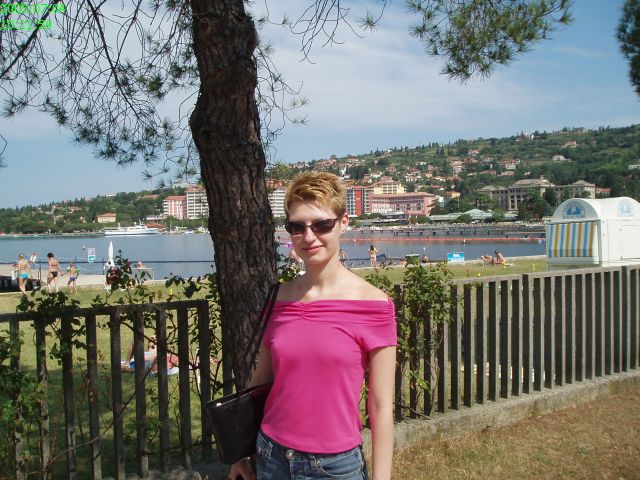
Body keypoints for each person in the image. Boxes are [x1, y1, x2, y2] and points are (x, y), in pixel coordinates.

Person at [230, 172, 397, 480]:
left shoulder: (373, 304)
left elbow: (381, 406)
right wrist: (241, 451)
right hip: (272, 456)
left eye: (321, 225)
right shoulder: (278, 298)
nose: (308, 237)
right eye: (297, 227)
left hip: (334, 467)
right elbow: (260, 382)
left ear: (343, 222)